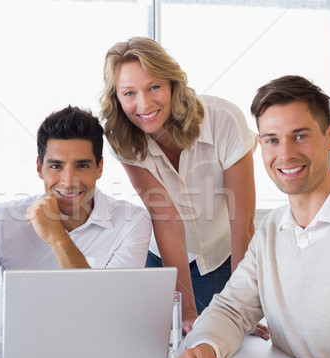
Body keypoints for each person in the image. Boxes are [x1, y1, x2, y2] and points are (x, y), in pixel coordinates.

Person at [174, 75, 330, 358]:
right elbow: (232, 310)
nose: (285, 154)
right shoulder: (271, 230)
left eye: (300, 136)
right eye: (272, 140)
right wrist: (205, 346)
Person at [100, 37, 257, 329]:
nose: (143, 104)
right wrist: (185, 312)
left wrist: (241, 307)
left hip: (221, 257)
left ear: (173, 84)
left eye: (154, 87)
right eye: (129, 93)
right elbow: (168, 221)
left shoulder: (224, 120)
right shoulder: (123, 138)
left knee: (225, 338)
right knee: (162, 341)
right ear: (117, 99)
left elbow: (242, 221)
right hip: (164, 258)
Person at [0, 106, 152, 290]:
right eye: (56, 166)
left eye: (82, 166)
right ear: (40, 168)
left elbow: (109, 305)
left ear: (100, 168)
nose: (68, 181)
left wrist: (57, 237)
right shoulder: (2, 221)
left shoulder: (132, 221)